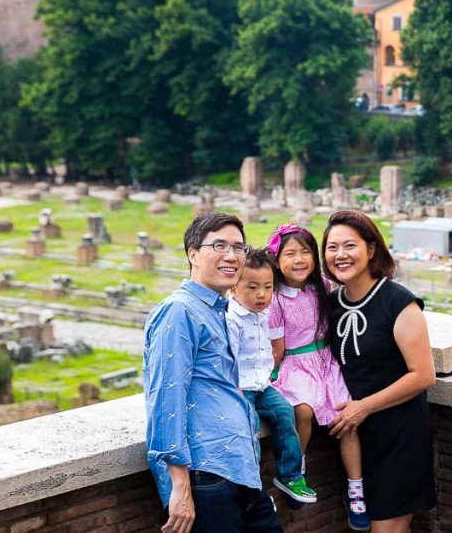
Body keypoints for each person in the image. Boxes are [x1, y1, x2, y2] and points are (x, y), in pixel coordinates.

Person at [143, 213, 282, 533]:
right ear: (193, 254)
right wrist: (179, 486)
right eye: (219, 245)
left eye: (238, 247)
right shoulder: (179, 311)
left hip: (239, 470)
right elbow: (167, 397)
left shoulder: (218, 310)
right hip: (205, 476)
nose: (232, 256)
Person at [323, 210, 437, 533]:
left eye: (350, 246)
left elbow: (423, 375)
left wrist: (365, 406)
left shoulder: (398, 302)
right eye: (332, 248)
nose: (340, 255)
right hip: (355, 439)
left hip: (399, 435)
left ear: (372, 249)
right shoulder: (330, 304)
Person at [266, 224, 371, 531]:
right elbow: (277, 349)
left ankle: (356, 490)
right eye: (290, 254)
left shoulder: (323, 287)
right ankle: (294, 471)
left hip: (327, 362)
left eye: (305, 252)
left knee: (347, 419)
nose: (299, 260)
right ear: (276, 261)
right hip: (296, 365)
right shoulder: (275, 300)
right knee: (303, 411)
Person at [226, 248, 316, 505]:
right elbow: (227, 361)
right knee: (249, 426)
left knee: (286, 413)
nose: (262, 294)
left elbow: (274, 350)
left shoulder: (267, 314)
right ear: (234, 288)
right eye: (252, 287)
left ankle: (289, 475)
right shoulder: (232, 319)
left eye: (267, 286)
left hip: (263, 385)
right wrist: (237, 391)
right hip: (240, 388)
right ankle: (253, 487)